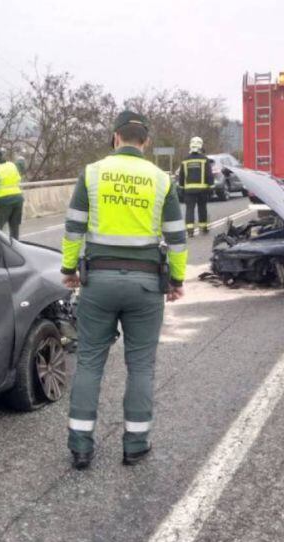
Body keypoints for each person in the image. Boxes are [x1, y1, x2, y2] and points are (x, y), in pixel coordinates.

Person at [60, 110, 188, 470]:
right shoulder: (161, 180)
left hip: (98, 283)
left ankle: (80, 446)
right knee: (141, 367)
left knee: (88, 363)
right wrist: (176, 280)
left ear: (115, 138)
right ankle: (135, 444)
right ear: (145, 142)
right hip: (146, 284)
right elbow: (177, 237)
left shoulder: (92, 173)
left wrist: (69, 269)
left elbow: (73, 229)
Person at [177, 136, 214, 236]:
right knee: (202, 208)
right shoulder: (204, 159)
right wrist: (211, 187)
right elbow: (209, 175)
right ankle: (203, 228)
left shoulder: (185, 160)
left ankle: (190, 231)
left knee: (189, 209)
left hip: (189, 190)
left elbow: (181, 176)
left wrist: (181, 188)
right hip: (202, 190)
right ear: (201, 146)